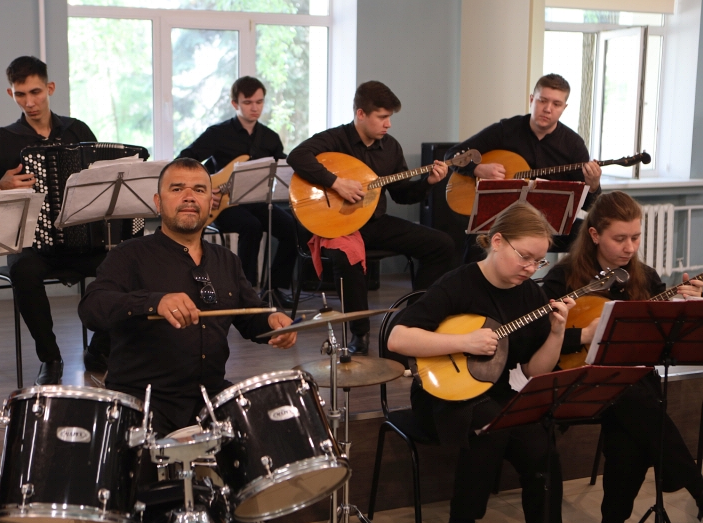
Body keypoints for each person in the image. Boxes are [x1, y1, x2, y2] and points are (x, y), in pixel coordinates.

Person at [387, 202, 571, 523]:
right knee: (490, 425)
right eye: (524, 257)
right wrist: (463, 342)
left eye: (539, 261)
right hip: (441, 395)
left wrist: (557, 333)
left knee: (540, 445)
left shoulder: (530, 294)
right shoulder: (458, 284)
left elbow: (534, 371)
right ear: (497, 241)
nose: (531, 268)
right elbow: (397, 339)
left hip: (499, 391)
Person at [78, 158, 296, 435]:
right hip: (143, 402)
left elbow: (250, 315)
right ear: (158, 203)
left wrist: (272, 321)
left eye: (200, 190)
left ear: (211, 203)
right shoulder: (128, 254)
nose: (190, 196)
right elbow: (91, 308)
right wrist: (154, 302)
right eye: (177, 189)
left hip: (211, 399)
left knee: (274, 434)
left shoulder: (227, 260)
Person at [541, 191, 703, 523]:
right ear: (594, 234)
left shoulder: (645, 277)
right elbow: (536, 340)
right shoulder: (563, 278)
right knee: (639, 408)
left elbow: (661, 341)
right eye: (620, 239)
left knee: (631, 431)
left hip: (629, 389)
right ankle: (691, 484)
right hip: (577, 382)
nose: (630, 248)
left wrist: (686, 306)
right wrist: (584, 335)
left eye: (635, 237)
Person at [287, 81, 455, 354]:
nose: (388, 124)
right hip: (339, 225)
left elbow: (402, 194)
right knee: (347, 257)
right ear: (361, 114)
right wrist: (336, 183)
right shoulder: (336, 139)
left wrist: (428, 183)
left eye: (390, 117)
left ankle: (413, 320)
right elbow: (297, 156)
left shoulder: (390, 148)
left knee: (442, 244)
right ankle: (360, 334)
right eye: (382, 117)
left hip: (375, 223)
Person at [0, 56, 108, 384]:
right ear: (11, 94)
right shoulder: (1, 140)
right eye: (20, 94)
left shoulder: (77, 131)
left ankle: (99, 349)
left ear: (50, 88)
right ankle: (50, 358)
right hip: (31, 245)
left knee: (126, 264)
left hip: (82, 241)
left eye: (35, 92)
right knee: (23, 271)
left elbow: (102, 177)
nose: (29, 102)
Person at [446, 73, 603, 259]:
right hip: (503, 219)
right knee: (477, 242)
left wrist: (593, 185)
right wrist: (477, 169)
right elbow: (452, 155)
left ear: (564, 108)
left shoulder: (573, 145)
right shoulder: (506, 130)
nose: (548, 109)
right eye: (542, 101)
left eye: (556, 104)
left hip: (548, 223)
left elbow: (589, 205)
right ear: (531, 99)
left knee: (595, 237)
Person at [178, 76, 297, 308]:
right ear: (235, 104)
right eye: (248, 102)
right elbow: (184, 159)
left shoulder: (270, 138)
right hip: (223, 205)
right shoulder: (218, 133)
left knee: (291, 228)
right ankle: (245, 291)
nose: (255, 108)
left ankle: (274, 288)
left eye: (259, 102)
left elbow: (283, 167)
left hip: (257, 201)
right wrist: (204, 190)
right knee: (251, 226)